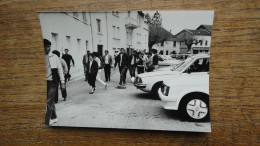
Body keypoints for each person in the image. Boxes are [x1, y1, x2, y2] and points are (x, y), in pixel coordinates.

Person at [43, 39, 65, 126]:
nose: (49, 48)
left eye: (49, 47)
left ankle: (46, 121)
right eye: (47, 47)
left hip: (53, 82)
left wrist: (62, 82)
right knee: (50, 101)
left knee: (48, 101)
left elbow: (60, 70)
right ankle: (54, 116)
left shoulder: (54, 57)